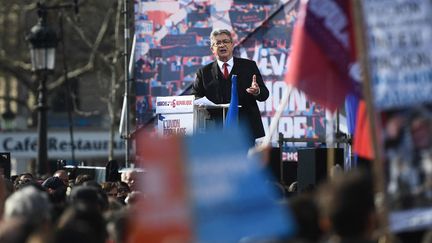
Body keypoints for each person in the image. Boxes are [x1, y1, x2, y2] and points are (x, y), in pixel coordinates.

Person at [192, 29, 269, 144]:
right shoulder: (203, 72)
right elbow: (194, 97)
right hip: (216, 130)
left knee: (244, 162)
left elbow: (264, 94)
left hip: (245, 129)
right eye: (217, 43)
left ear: (232, 45)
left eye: (225, 41)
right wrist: (203, 104)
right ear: (212, 49)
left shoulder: (249, 66)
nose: (222, 45)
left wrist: (257, 91)